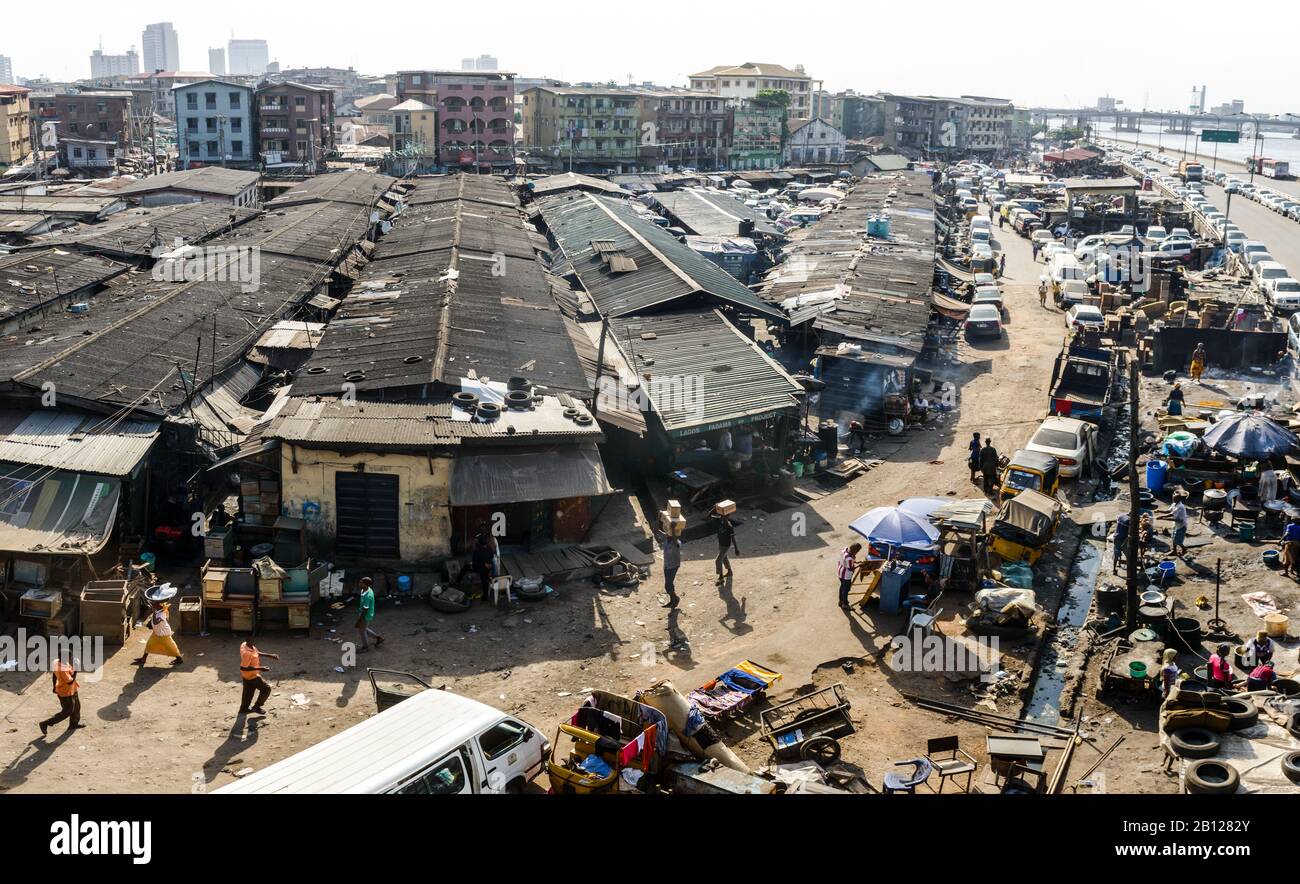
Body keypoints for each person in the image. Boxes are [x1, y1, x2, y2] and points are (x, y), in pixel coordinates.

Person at [39, 651, 85, 736]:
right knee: (67, 711)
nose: (71, 658)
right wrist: (76, 669)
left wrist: (54, 686)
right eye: (69, 657)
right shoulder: (63, 670)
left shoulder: (56, 662)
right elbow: (70, 681)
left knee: (77, 707)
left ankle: (74, 724)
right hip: (66, 693)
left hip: (72, 689)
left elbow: (54, 675)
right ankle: (46, 723)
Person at [134, 600, 182, 667]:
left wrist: (153, 612)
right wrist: (152, 611)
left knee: (171, 646)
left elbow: (156, 622)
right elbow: (148, 616)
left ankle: (179, 658)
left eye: (154, 604)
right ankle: (143, 659)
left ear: (159, 606)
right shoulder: (158, 611)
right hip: (157, 632)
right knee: (149, 644)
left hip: (163, 634)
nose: (153, 605)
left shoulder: (161, 614)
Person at [238, 639, 278, 716]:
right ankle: (256, 707)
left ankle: (244, 709)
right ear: (248, 640)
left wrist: (270, 655)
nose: (254, 640)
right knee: (266, 689)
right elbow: (243, 667)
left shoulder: (246, 645)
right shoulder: (247, 653)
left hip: (246, 675)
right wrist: (260, 668)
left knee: (248, 692)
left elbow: (255, 653)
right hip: (252, 676)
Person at [356, 577, 383, 651]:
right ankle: (378, 638)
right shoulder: (364, 589)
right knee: (363, 628)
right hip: (364, 612)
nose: (359, 584)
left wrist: (360, 619)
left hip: (366, 615)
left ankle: (365, 647)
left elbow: (366, 609)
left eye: (361, 583)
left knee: (362, 630)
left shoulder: (368, 596)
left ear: (365, 584)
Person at [470, 522, 496, 599]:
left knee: (484, 575)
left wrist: (486, 563)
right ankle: (490, 580)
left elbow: (475, 561)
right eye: (482, 529)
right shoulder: (479, 538)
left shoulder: (489, 537)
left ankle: (493, 579)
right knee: (485, 575)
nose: (483, 530)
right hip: (485, 564)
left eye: (484, 529)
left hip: (482, 565)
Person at [658, 530, 682, 609]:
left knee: (668, 584)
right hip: (667, 565)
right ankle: (673, 601)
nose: (667, 535)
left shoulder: (677, 543)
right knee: (668, 584)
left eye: (670, 534)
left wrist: (673, 528)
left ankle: (675, 599)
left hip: (673, 566)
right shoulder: (667, 540)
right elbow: (656, 531)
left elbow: (674, 540)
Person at [714, 512, 738, 583]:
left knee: (718, 560)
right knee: (724, 558)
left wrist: (736, 549)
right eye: (721, 515)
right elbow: (708, 517)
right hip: (720, 544)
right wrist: (714, 509)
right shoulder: (720, 521)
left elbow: (733, 538)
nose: (722, 517)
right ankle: (729, 571)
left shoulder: (729, 526)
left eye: (724, 516)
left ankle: (721, 577)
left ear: (728, 516)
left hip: (726, 546)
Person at [837, 542, 863, 609]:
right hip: (846, 575)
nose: (857, 553)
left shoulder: (845, 549)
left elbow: (846, 561)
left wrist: (855, 562)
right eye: (857, 551)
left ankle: (840, 601)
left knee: (842, 587)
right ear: (855, 551)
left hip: (840, 572)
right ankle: (845, 604)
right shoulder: (849, 558)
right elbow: (850, 568)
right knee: (846, 589)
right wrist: (858, 565)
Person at [1168, 491, 1189, 556]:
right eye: (1173, 498)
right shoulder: (1174, 504)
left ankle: (1184, 549)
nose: (1173, 499)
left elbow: (1172, 515)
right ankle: (1174, 551)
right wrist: (1159, 511)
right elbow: (1168, 511)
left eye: (1174, 499)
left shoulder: (1180, 506)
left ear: (1179, 499)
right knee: (1174, 538)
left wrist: (1162, 517)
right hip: (1176, 524)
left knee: (1178, 540)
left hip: (1181, 526)